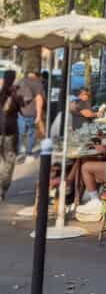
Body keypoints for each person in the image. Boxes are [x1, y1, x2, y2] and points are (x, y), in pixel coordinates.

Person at [0, 70, 22, 202]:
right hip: (10, 132)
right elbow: (24, 108)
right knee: (9, 160)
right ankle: (2, 188)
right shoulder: (14, 95)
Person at [16, 70, 45, 161]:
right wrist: (39, 115)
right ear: (36, 75)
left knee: (19, 133)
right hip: (32, 113)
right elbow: (39, 100)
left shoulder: (20, 81)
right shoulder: (38, 84)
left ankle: (18, 153)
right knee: (31, 133)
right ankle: (28, 152)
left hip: (21, 112)